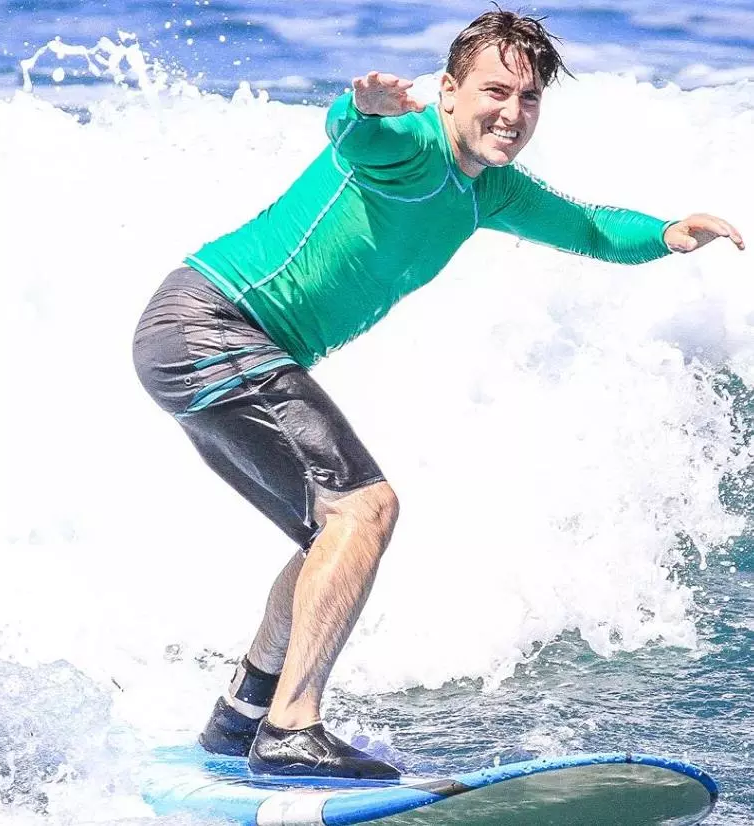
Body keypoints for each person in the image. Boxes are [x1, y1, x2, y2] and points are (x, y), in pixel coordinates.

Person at [132, 9, 745, 780]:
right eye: (494, 91)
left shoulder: (489, 191)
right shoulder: (412, 147)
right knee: (364, 509)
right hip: (210, 324)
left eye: (527, 98)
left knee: (333, 535)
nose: (511, 113)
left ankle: (241, 716)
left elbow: (588, 227)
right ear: (449, 91)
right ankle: (290, 727)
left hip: (205, 339)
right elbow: (354, 137)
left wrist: (667, 232)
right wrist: (360, 108)